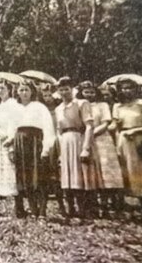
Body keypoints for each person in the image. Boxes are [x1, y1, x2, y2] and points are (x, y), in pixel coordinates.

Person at [53, 77, 97, 218]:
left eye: (66, 89)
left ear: (72, 89)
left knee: (80, 174)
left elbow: (89, 126)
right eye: (61, 90)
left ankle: (84, 210)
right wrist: (60, 151)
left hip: (78, 138)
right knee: (66, 175)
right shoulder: (58, 108)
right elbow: (59, 130)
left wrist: (86, 148)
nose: (64, 92)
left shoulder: (81, 103)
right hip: (64, 140)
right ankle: (70, 209)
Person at [12, 80, 56, 218]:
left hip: (36, 142)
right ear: (17, 92)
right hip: (20, 143)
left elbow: (48, 128)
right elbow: (11, 129)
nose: (24, 93)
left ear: (32, 91)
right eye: (21, 90)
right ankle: (33, 209)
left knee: (40, 177)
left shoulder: (39, 107)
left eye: (26, 90)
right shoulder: (15, 108)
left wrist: (46, 148)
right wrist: (11, 148)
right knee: (25, 178)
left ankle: (42, 211)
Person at [80, 81, 125, 216]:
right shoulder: (81, 105)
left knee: (106, 173)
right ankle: (94, 205)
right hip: (86, 141)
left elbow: (106, 122)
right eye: (86, 92)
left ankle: (109, 205)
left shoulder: (102, 105)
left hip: (102, 140)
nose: (89, 95)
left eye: (92, 92)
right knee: (91, 172)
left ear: (96, 93)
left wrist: (91, 133)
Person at [113, 77, 142, 217]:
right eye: (123, 88)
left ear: (135, 89)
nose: (126, 91)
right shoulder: (117, 106)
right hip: (123, 139)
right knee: (127, 171)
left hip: (139, 138)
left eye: (129, 88)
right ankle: (130, 205)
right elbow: (115, 126)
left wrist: (136, 131)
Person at [0, 80, 19, 203]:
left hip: (10, 138)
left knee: (12, 167)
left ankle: (18, 201)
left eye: (2, 88)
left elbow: (15, 122)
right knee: (2, 168)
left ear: (8, 89)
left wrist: (9, 137)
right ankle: (4, 194)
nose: (0, 91)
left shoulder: (13, 104)